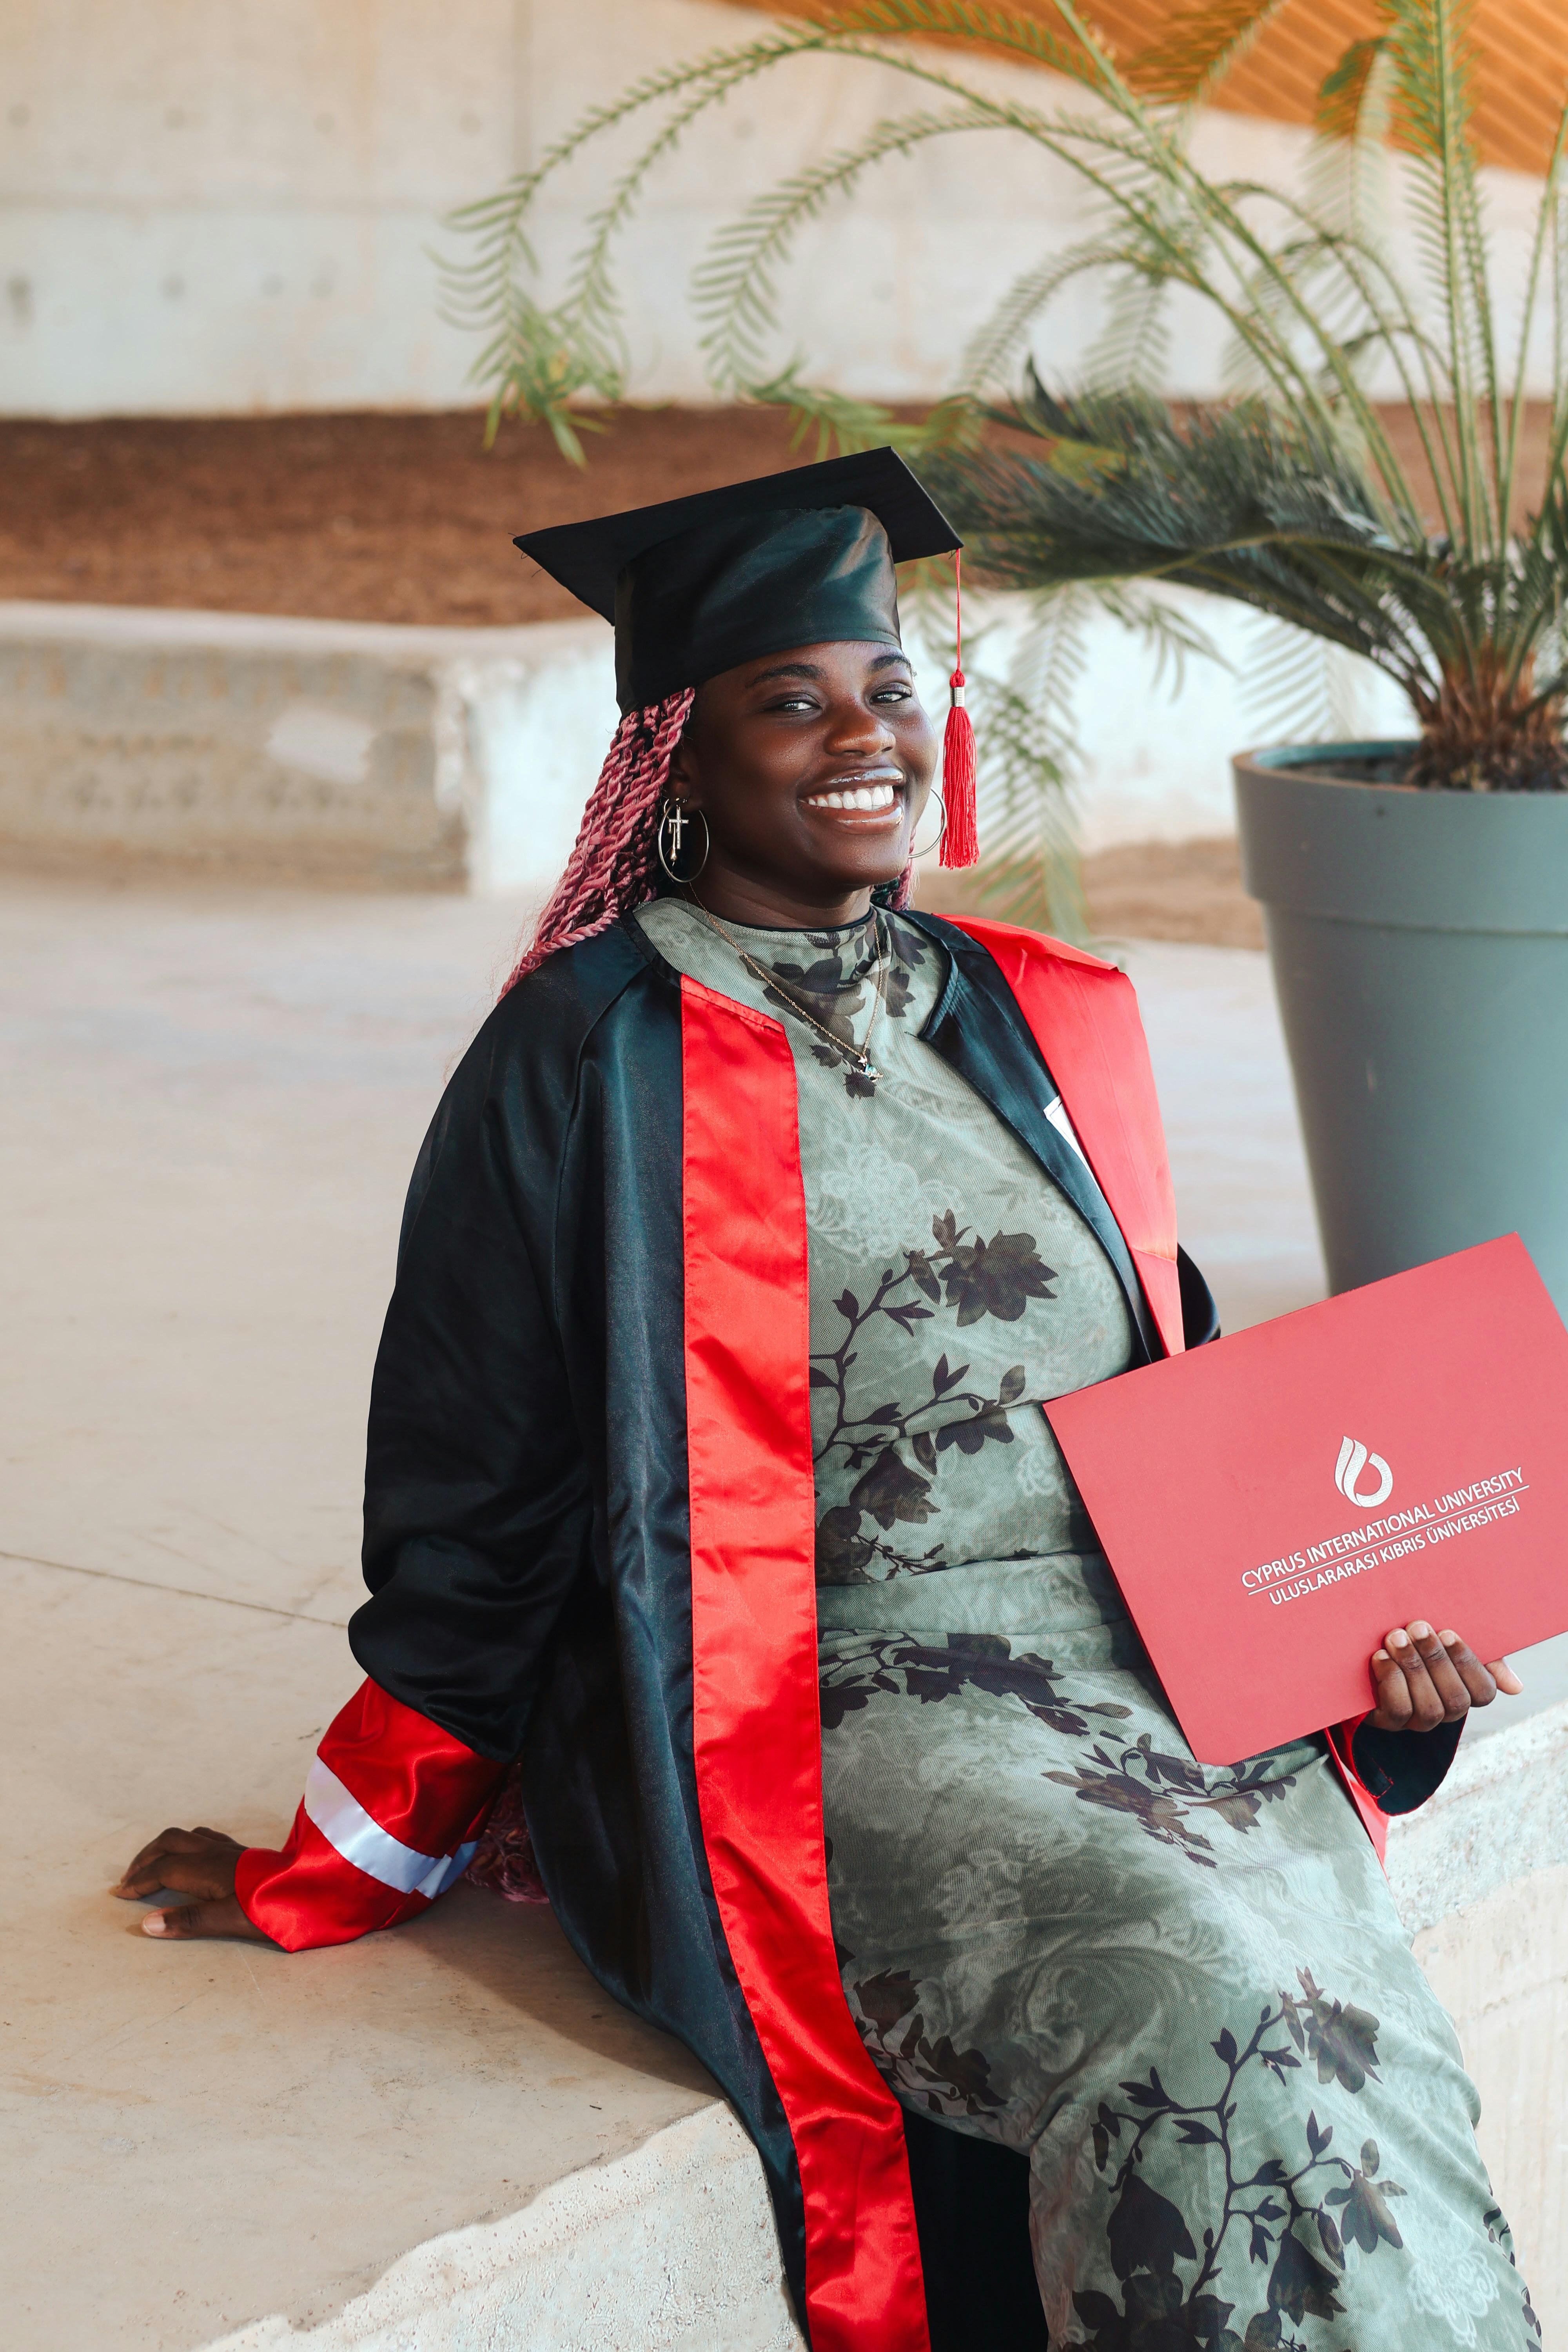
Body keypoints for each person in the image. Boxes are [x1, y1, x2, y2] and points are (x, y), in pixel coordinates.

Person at [114, 452, 1535, 2352]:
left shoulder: (1041, 1018)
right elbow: (478, 1492)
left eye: (882, 693)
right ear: (677, 765)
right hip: (836, 1690)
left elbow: (1184, 1393)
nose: (862, 738)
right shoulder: (586, 1062)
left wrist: (1358, 1643)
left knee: (1351, 2020)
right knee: (1193, 1995)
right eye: (791, 702)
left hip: (1143, 1667)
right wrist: (352, 1849)